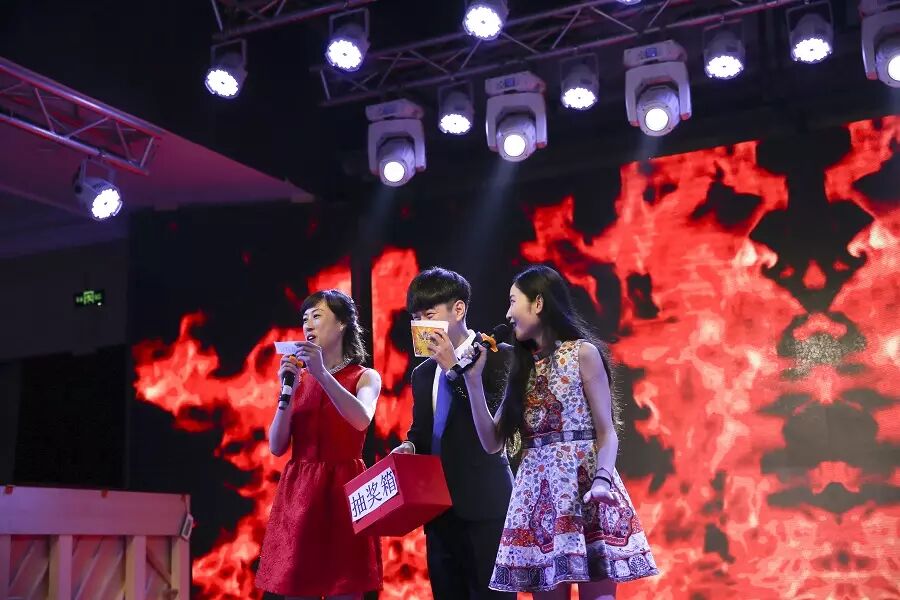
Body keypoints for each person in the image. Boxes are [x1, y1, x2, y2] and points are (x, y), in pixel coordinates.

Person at [462, 265, 659, 599]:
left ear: (538, 303)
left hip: (586, 489)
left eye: (513, 301)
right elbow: (492, 442)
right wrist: (472, 381)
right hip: (538, 500)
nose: (508, 314)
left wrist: (602, 480)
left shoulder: (583, 353)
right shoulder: (521, 370)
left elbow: (607, 431)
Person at [391, 267, 515, 600]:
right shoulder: (422, 373)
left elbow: (493, 429)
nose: (421, 325)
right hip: (438, 512)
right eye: (416, 318)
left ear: (458, 309)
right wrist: (408, 447)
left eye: (429, 315)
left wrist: (454, 370)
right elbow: (421, 432)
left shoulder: (499, 356)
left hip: (486, 506)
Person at [256, 289, 383, 600]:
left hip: (344, 489)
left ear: (341, 324)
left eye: (317, 316)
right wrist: (286, 392)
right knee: (299, 586)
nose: (308, 325)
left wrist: (322, 374)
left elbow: (361, 419)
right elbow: (276, 446)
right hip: (300, 492)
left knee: (345, 586)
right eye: (305, 319)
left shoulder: (365, 376)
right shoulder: (299, 380)